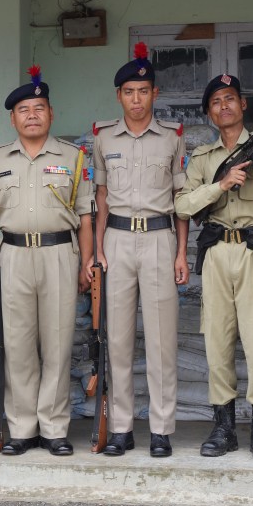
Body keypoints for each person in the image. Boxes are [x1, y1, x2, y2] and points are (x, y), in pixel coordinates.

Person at [174, 73, 253, 460]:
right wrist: (222, 183)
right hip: (215, 253)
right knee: (217, 341)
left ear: (243, 105)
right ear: (209, 113)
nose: (224, 106)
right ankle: (223, 429)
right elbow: (182, 205)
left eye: (230, 99)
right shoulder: (201, 158)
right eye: (216, 102)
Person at [0, 65, 94, 456]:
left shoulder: (74, 158)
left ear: (51, 114)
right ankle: (23, 429)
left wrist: (86, 263)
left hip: (60, 253)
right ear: (12, 117)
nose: (31, 115)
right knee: (19, 345)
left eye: (39, 108)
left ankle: (54, 428)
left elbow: (86, 216)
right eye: (24, 109)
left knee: (58, 344)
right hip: (13, 257)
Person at [90, 42, 188, 457]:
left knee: (163, 339)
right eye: (129, 92)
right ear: (119, 96)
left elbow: (181, 202)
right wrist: (97, 249)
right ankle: (122, 427)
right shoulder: (103, 138)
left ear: (154, 95)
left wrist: (182, 253)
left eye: (143, 92)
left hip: (160, 239)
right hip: (116, 240)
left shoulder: (171, 140)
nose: (136, 99)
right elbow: (100, 198)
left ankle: (162, 429)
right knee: (119, 339)